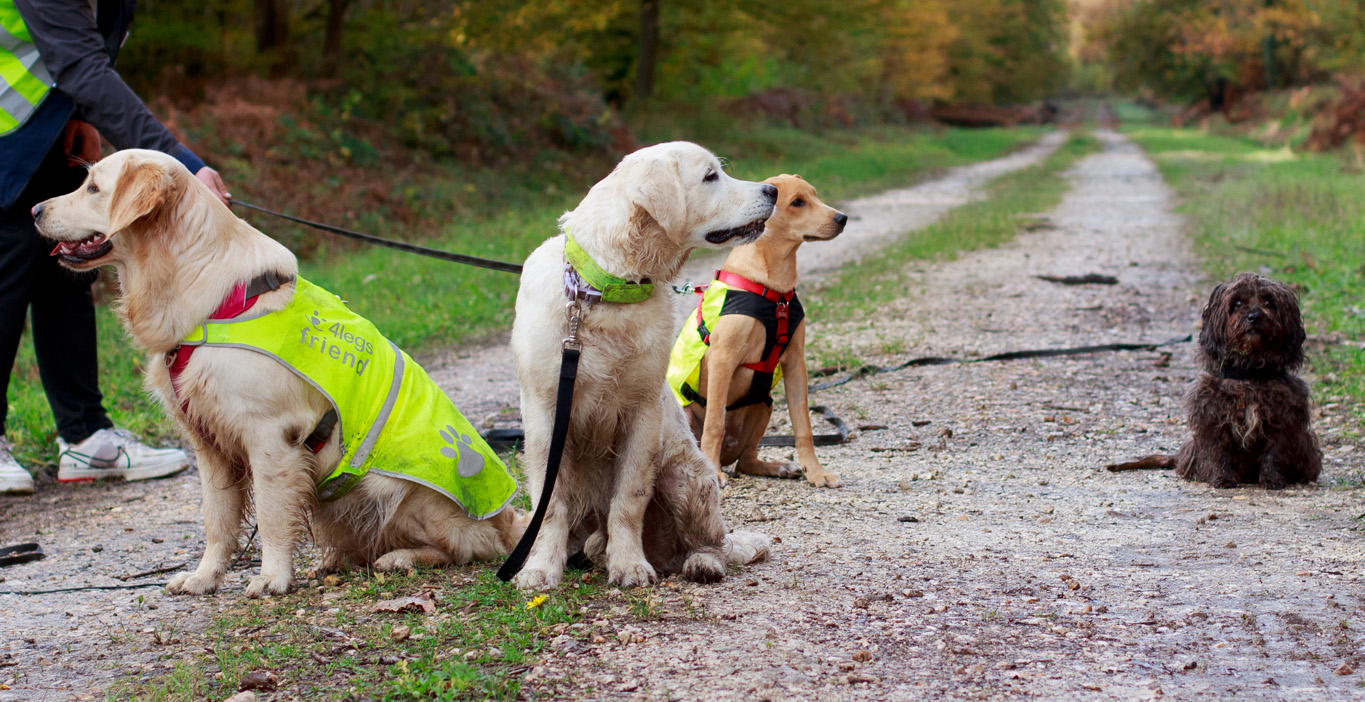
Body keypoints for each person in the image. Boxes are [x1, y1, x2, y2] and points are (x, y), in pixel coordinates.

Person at [0, 0, 231, 494]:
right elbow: (80, 62)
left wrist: (77, 113)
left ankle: (85, 435)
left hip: (39, 126)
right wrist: (180, 163)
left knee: (67, 268)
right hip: (6, 129)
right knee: (7, 265)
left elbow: (84, 44)